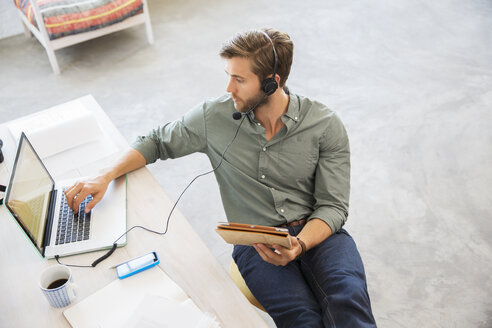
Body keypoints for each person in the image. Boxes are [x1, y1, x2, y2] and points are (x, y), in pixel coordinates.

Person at [65, 28, 376, 327]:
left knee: (347, 302)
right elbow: (157, 141)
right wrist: (103, 177)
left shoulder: (323, 124)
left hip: (318, 233)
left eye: (239, 79)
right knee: (302, 318)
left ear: (271, 83)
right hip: (255, 241)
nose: (229, 88)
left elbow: (333, 207)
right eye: (229, 76)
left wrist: (301, 244)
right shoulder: (214, 117)